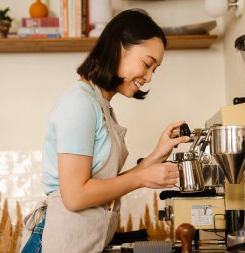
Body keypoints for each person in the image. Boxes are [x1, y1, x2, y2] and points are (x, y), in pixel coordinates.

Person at [20, 8, 190, 253]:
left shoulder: (101, 105)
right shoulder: (79, 103)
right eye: (147, 64)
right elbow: (76, 195)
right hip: (57, 242)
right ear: (119, 48)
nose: (150, 77)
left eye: (155, 70)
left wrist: (156, 155)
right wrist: (141, 178)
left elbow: (103, 184)